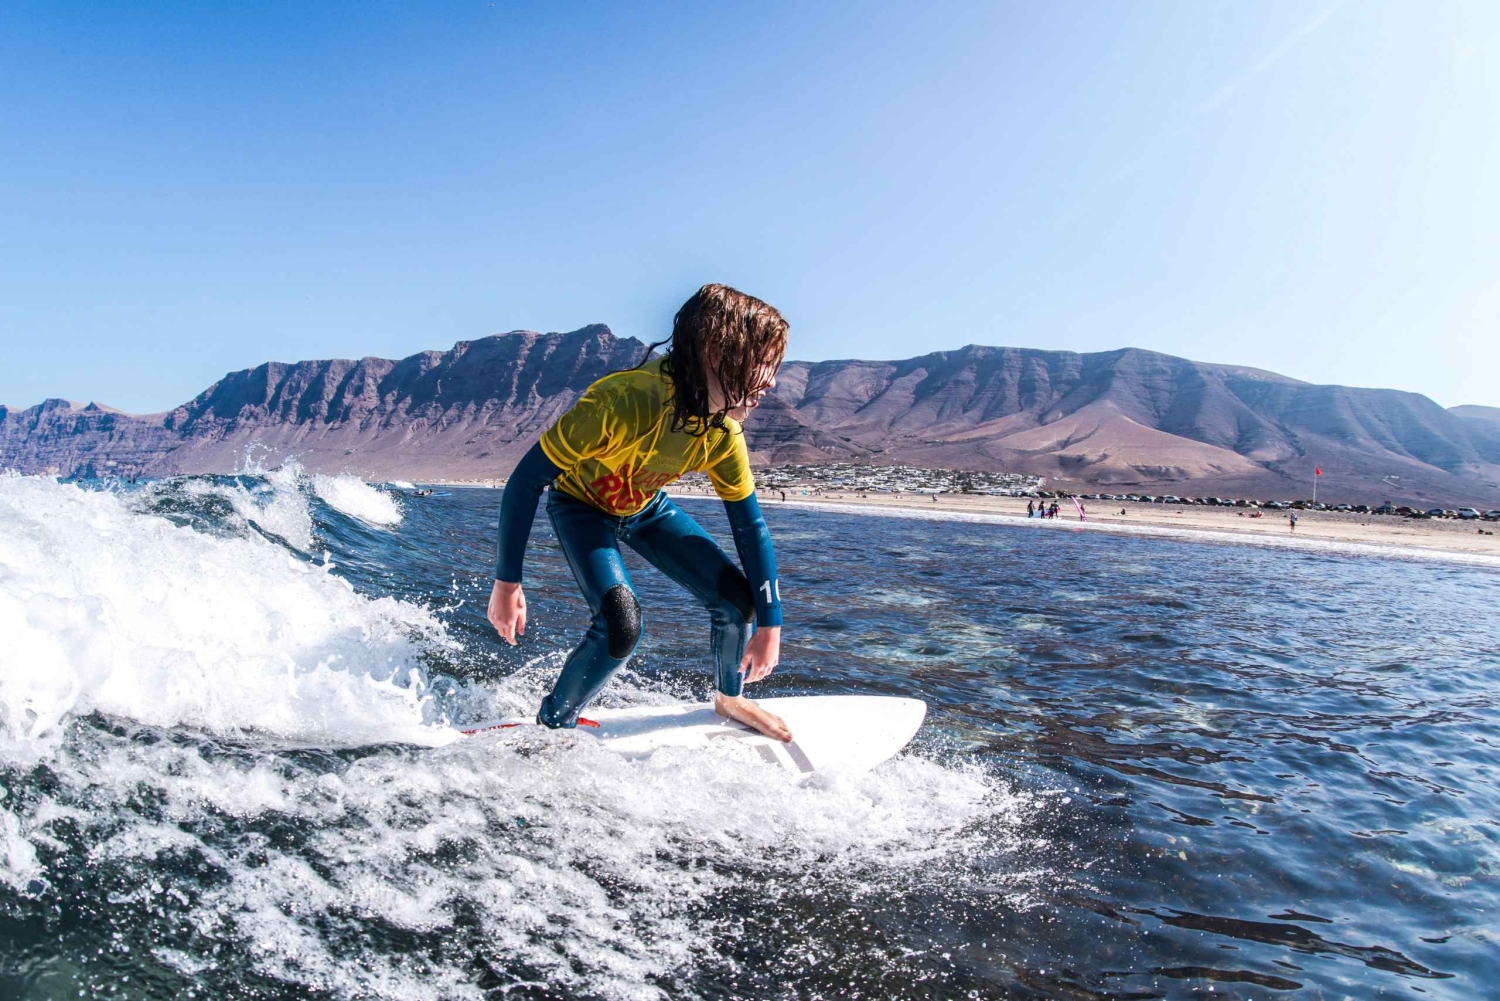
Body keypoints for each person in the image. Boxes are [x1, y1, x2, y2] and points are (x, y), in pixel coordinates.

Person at [487, 284, 791, 741]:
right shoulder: (622, 402)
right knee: (620, 624)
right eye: (761, 363)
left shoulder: (723, 435)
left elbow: (750, 527)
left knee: (737, 599)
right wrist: (508, 582)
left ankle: (731, 697)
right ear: (715, 349)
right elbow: (526, 481)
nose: (771, 380)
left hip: (645, 508)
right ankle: (553, 726)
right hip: (581, 507)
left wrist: (771, 623)